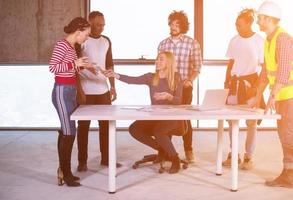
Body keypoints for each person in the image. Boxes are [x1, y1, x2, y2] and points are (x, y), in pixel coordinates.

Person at [104, 51, 185, 174]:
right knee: (134, 129)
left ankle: (175, 159)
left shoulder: (176, 77)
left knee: (159, 131)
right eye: (157, 59)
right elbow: (132, 80)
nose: (157, 62)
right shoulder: (151, 77)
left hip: (172, 117)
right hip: (155, 116)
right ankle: (163, 150)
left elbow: (179, 101)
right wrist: (115, 75)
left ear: (169, 62)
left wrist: (168, 97)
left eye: (161, 59)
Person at [76, 11, 122, 172]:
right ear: (90, 23)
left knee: (106, 125)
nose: (101, 28)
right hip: (86, 90)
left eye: (103, 25)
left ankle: (106, 159)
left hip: (103, 90)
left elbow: (109, 64)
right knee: (83, 127)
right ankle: (82, 161)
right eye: (97, 25)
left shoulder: (106, 41)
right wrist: (78, 89)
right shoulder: (82, 40)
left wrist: (113, 86)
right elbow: (75, 66)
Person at [49, 17, 93, 187]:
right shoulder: (62, 45)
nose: (86, 38)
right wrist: (75, 62)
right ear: (78, 31)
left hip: (70, 90)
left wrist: (84, 66)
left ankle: (63, 171)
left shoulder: (72, 47)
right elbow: (53, 67)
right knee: (69, 132)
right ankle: (66, 174)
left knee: (67, 131)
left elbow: (70, 68)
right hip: (61, 91)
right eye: (86, 35)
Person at [255, 1, 293, 187]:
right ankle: (288, 174)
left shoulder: (283, 39)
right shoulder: (268, 40)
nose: (257, 20)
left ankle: (290, 175)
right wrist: (257, 96)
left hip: (289, 96)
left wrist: (271, 97)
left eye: (260, 17)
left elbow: (284, 72)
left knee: (289, 135)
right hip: (281, 96)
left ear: (269, 19)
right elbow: (265, 71)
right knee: (285, 135)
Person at [222, 9, 265, 170]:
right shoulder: (234, 40)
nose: (236, 27)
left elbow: (264, 68)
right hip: (234, 84)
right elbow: (230, 63)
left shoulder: (259, 41)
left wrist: (257, 88)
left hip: (251, 84)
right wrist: (226, 82)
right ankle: (234, 154)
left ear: (249, 23)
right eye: (235, 24)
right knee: (232, 120)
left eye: (239, 24)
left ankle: (248, 157)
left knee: (251, 122)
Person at [158, 10, 202, 163]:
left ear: (183, 26)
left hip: (184, 88)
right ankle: (166, 151)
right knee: (165, 119)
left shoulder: (192, 43)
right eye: (172, 23)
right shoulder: (163, 44)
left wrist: (189, 80)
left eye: (177, 24)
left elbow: (197, 67)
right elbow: (159, 65)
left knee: (184, 118)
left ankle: (188, 149)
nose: (174, 26)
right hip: (166, 87)